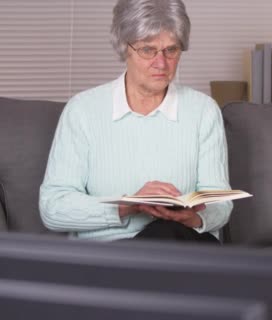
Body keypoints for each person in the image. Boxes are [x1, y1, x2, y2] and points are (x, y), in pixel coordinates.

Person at [39, 0, 231, 244]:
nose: (161, 63)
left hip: (185, 246)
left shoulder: (203, 111)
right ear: (124, 47)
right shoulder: (83, 110)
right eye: (148, 50)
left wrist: (191, 218)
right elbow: (53, 207)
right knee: (160, 240)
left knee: (168, 234)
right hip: (112, 254)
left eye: (171, 50)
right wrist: (127, 206)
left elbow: (221, 204)